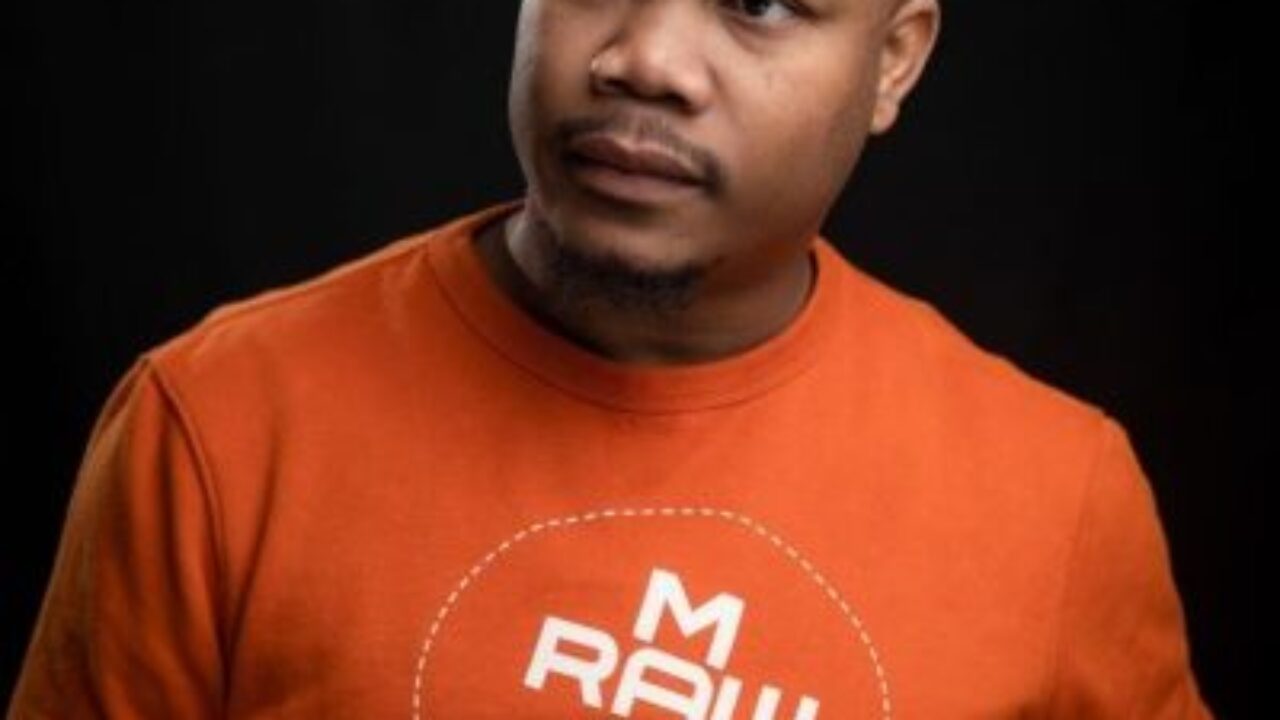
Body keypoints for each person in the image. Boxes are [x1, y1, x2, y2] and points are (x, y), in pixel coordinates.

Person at [10, 0, 1213, 717]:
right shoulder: (218, 421)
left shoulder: (1058, 497)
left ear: (892, 60)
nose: (645, 58)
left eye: (757, 3)